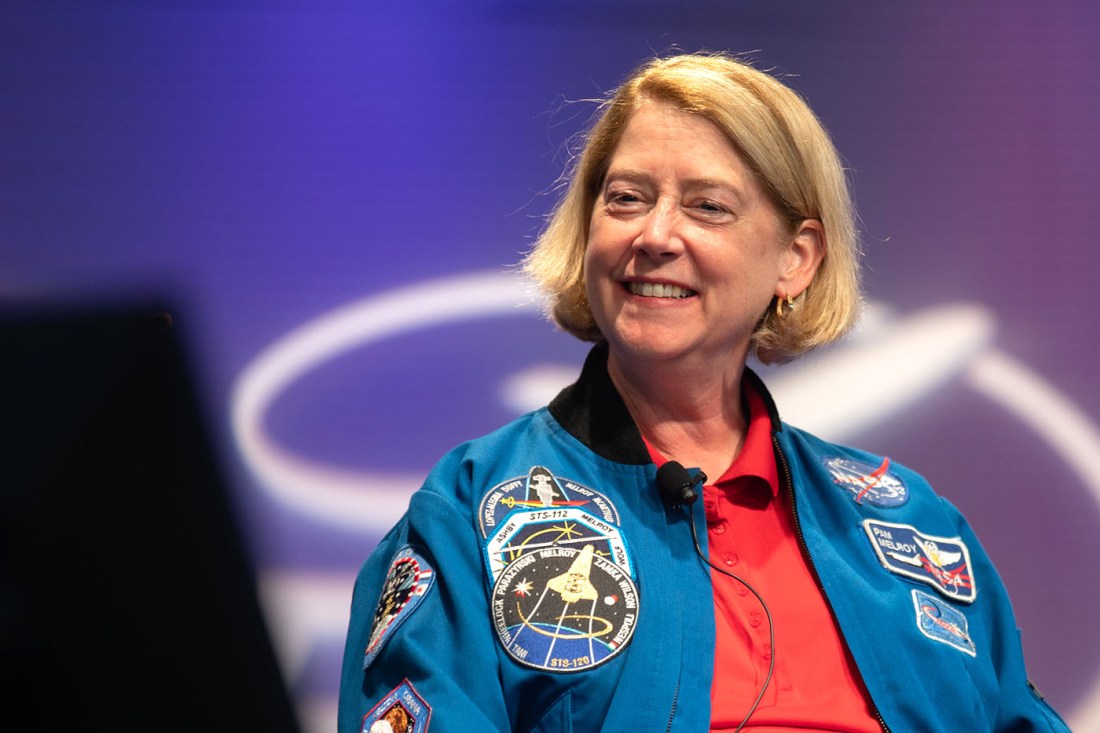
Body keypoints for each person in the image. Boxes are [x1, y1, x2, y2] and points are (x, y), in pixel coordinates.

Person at [339, 51, 1071, 732]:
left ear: (796, 258)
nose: (655, 234)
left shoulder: (916, 526)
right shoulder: (468, 511)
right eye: (626, 198)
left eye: (707, 206)